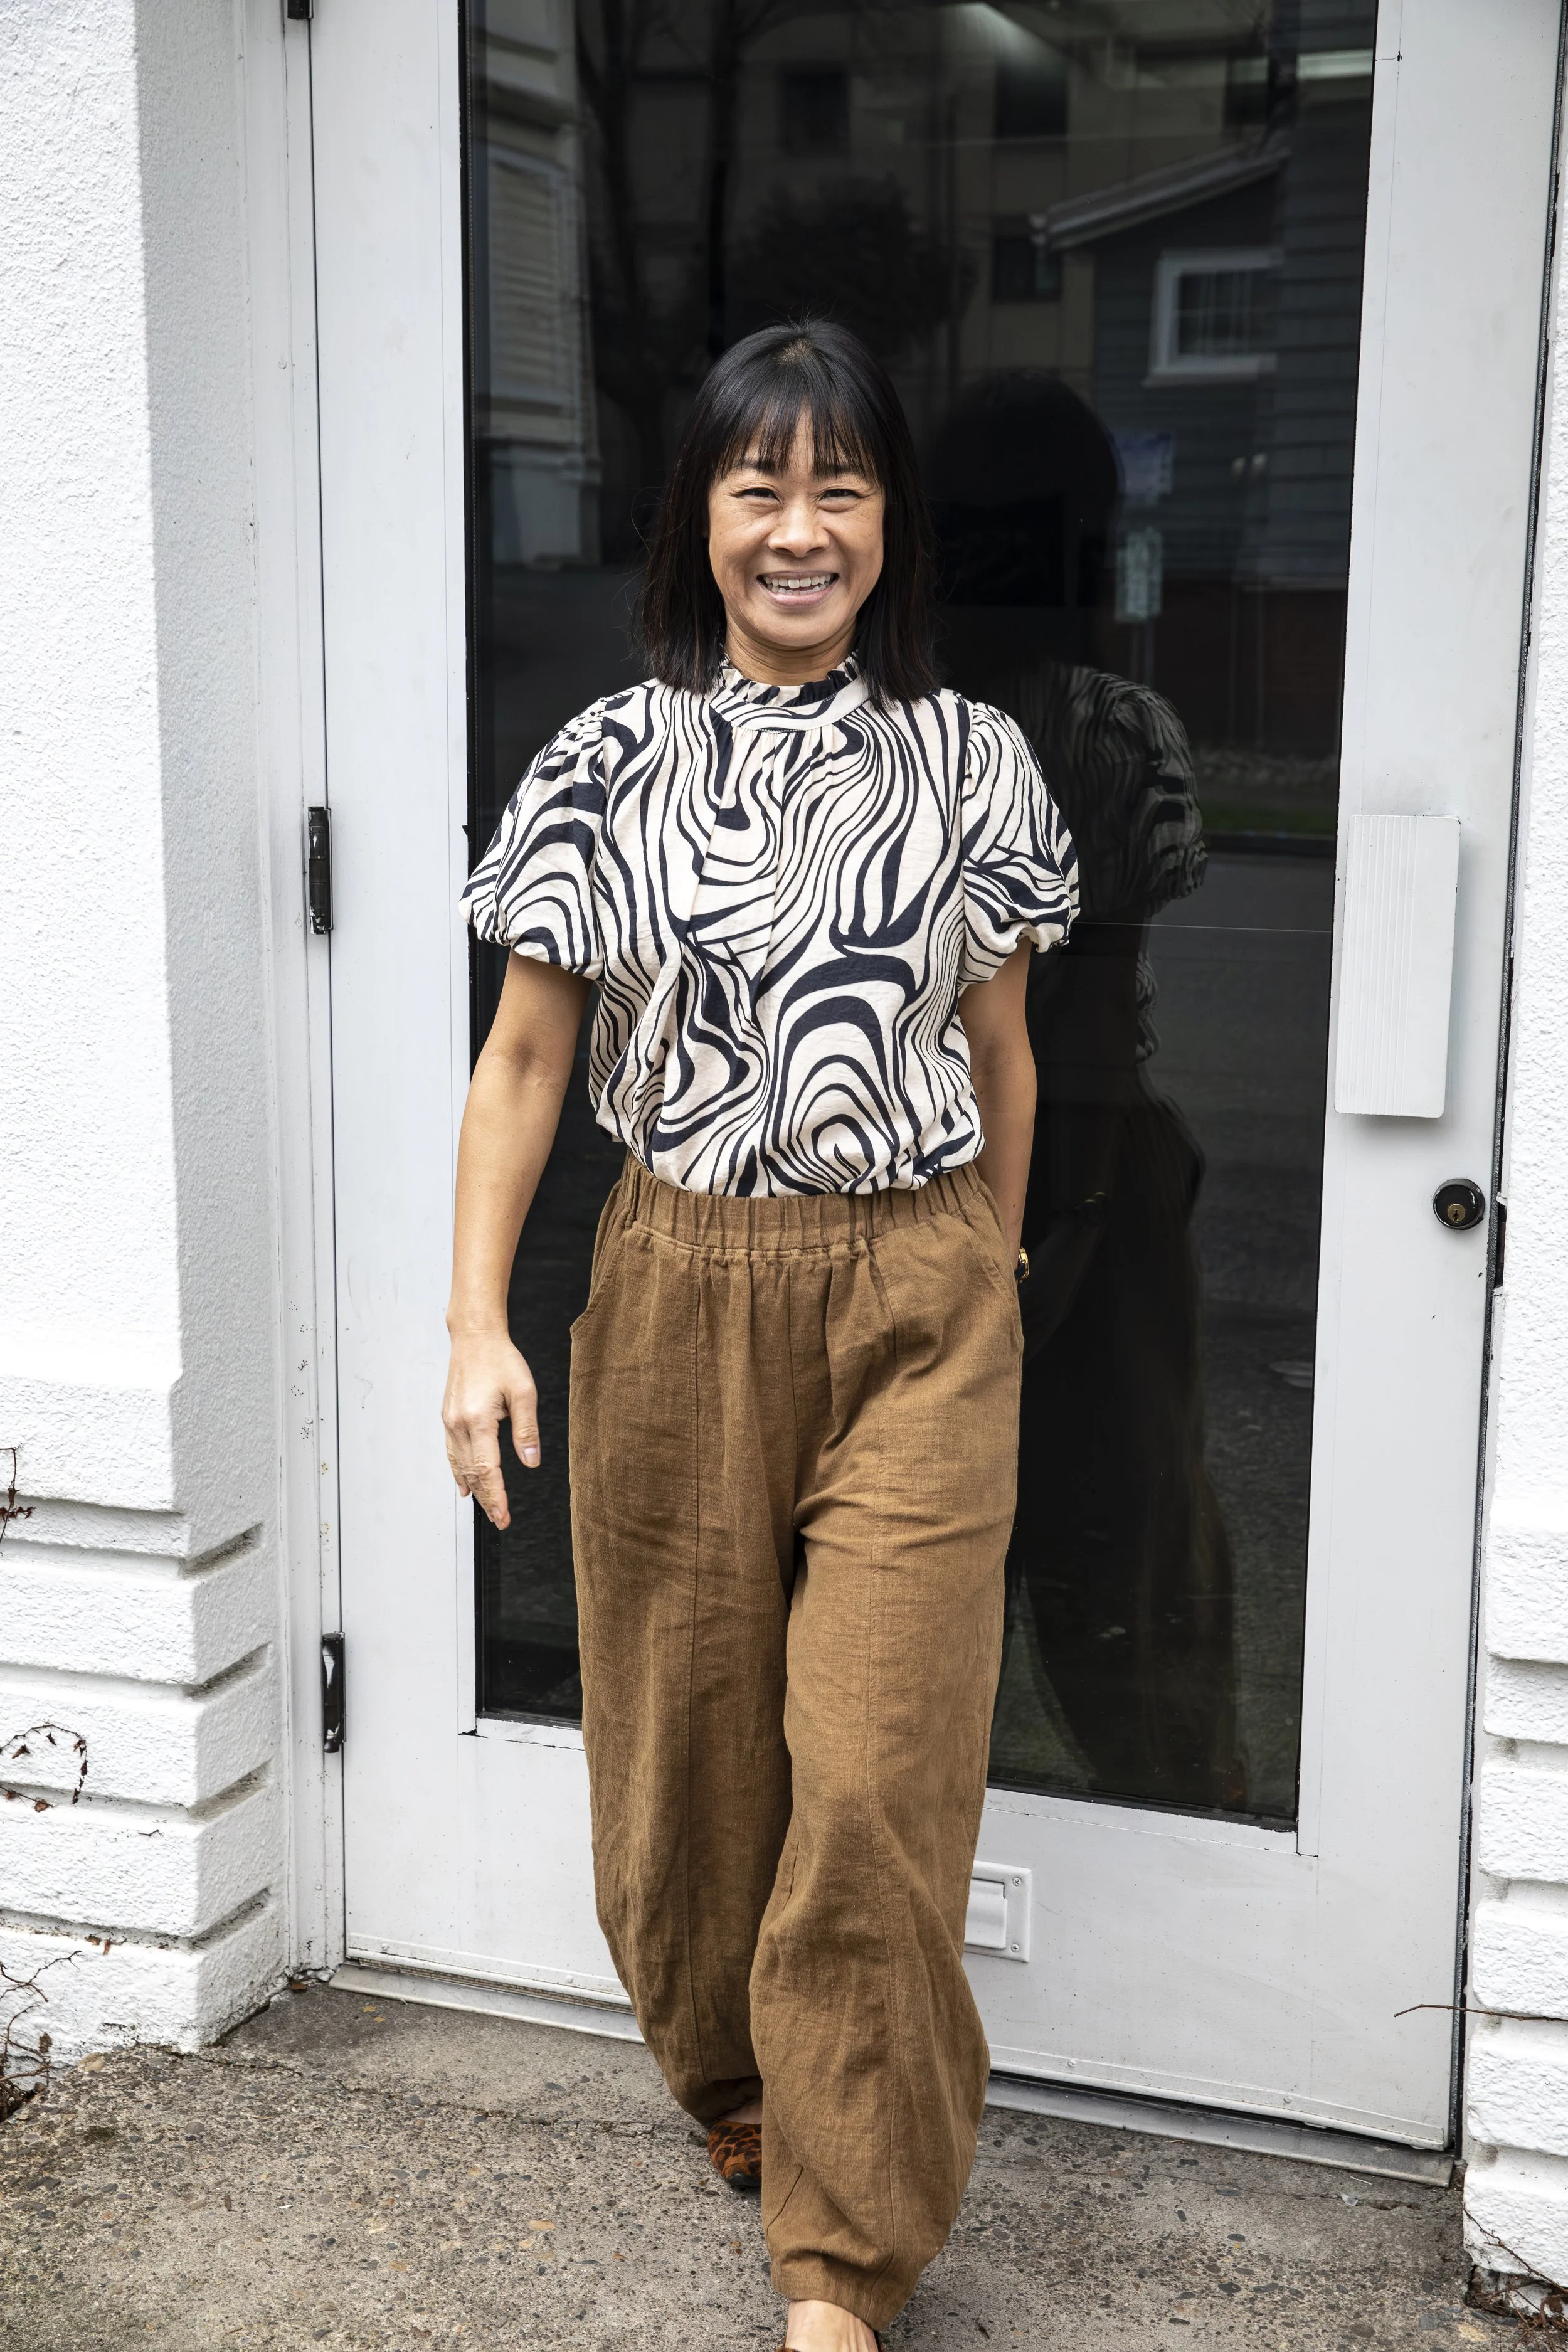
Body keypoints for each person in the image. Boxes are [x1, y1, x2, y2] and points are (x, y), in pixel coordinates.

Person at [442, 321, 1076, 2352]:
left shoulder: (974, 762)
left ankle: (842, 2263)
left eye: (842, 490)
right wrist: (479, 1326)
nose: (800, 532)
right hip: (677, 1292)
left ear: (889, 519)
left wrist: (988, 1267)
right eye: (758, 489)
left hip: (915, 1293)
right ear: (699, 516)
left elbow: (1007, 1055)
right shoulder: (602, 764)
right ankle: (738, 2087)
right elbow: (526, 1063)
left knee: (880, 1784)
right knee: (686, 1784)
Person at [931, 373, 1248, 1811]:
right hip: (1083, 1170)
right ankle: (1181, 1820)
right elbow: (1095, 1023)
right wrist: (1071, 1225)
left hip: (905, 1173)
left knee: (909, 1546)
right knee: (1123, 1544)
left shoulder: (876, 723)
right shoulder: (1116, 729)